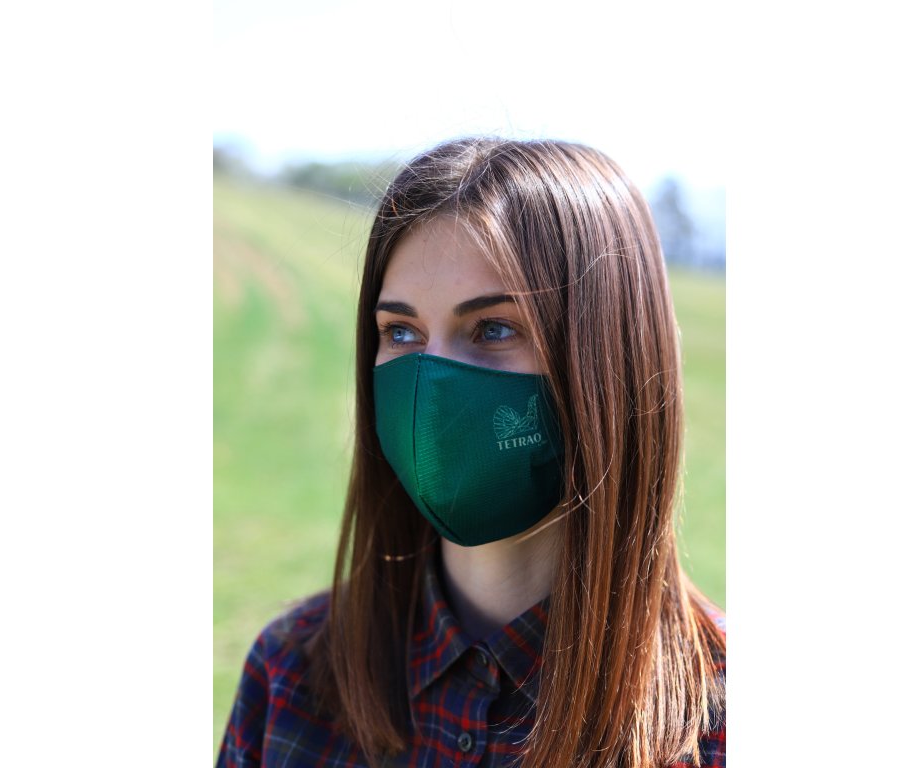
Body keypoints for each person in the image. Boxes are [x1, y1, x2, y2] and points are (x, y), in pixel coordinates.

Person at [217, 137, 725, 768]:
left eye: (494, 329)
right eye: (401, 332)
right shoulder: (289, 677)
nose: (433, 387)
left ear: (610, 357)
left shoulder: (720, 724)